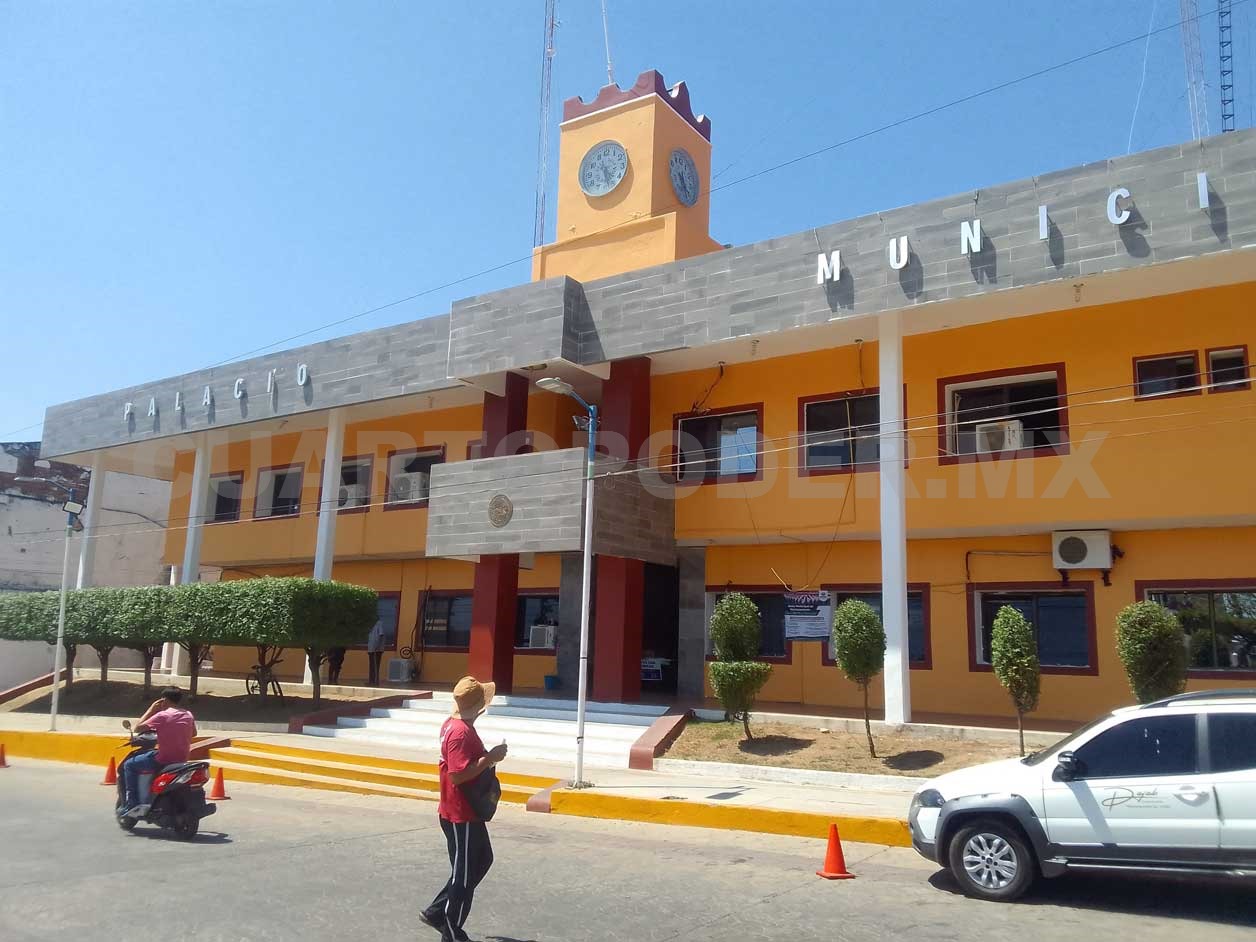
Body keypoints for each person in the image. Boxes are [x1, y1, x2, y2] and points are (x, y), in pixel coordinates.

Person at [419, 676, 507, 942]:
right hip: (461, 812)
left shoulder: (456, 726)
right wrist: (490, 758)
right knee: (465, 873)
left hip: (464, 810)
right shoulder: (460, 732)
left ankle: (437, 912)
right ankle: (452, 929)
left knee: (481, 860)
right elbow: (458, 775)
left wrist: (487, 758)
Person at [121, 686, 197, 817]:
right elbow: (194, 733)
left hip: (163, 759)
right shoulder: (188, 715)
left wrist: (151, 709)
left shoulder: (162, 715)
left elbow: (138, 728)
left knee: (129, 765)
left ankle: (132, 804)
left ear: (164, 700)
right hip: (182, 759)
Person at [366, 618, 386, 687]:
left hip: (376, 650)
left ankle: (375, 681)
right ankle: (371, 680)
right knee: (371, 666)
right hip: (371, 649)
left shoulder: (379, 623)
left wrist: (376, 646)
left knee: (375, 666)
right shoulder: (370, 626)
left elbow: (381, 635)